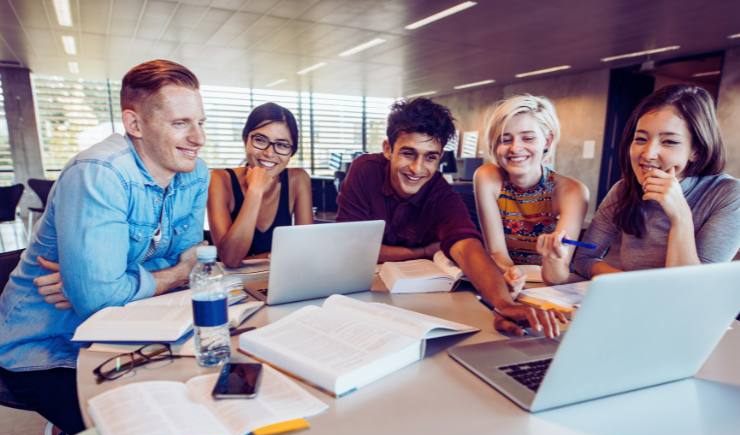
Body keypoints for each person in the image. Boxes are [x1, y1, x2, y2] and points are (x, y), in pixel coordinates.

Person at [0, 59, 209, 435]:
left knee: (202, 393)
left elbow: (191, 262)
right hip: (43, 344)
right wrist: (169, 273)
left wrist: (120, 280)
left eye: (200, 122)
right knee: (140, 427)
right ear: (134, 123)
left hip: (128, 330)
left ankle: (77, 434)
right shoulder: (99, 174)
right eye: (181, 123)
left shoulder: (192, 172)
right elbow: (101, 298)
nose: (197, 137)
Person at [336, 97, 564, 338]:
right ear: (388, 149)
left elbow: (467, 247)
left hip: (416, 300)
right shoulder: (364, 170)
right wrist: (421, 252)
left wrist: (503, 304)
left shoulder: (440, 194)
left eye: (430, 157)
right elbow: (351, 247)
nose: (417, 168)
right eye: (408, 153)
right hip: (362, 293)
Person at [573, 84, 740, 278]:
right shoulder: (623, 189)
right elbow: (584, 258)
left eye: (669, 141)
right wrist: (628, 285)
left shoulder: (729, 194)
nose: (648, 154)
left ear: (697, 150)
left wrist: (680, 216)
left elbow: (692, 289)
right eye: (641, 139)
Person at [474, 94, 589, 288]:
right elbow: (497, 253)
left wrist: (553, 259)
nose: (516, 148)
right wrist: (513, 275)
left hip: (550, 288)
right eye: (505, 139)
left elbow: (557, 277)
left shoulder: (572, 191)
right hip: (507, 280)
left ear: (547, 141)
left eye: (528, 138)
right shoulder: (487, 177)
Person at [208, 102, 312, 267]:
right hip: (234, 286)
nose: (269, 153)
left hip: (281, 279)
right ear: (245, 140)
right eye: (260, 140)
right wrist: (255, 191)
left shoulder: (298, 179)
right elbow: (230, 259)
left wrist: (255, 259)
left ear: (291, 152)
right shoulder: (219, 180)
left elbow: (306, 250)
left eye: (282, 145)